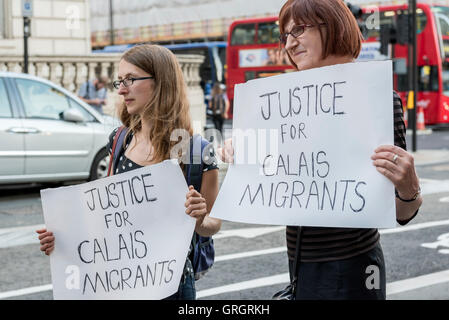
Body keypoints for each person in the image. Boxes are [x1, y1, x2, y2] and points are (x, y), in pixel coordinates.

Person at [218, 0, 423, 300]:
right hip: (300, 266)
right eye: (285, 35)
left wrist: (409, 186)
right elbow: (279, 170)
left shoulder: (376, 99)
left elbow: (401, 213)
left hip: (353, 269)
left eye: (299, 29)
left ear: (333, 24)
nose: (289, 42)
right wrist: (240, 153)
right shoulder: (288, 105)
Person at [37, 44, 222, 300]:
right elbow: (108, 217)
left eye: (131, 80)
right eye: (120, 81)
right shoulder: (119, 140)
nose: (122, 89)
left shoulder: (196, 152)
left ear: (161, 82)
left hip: (172, 286)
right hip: (122, 282)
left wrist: (200, 218)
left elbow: (213, 225)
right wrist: (64, 239)